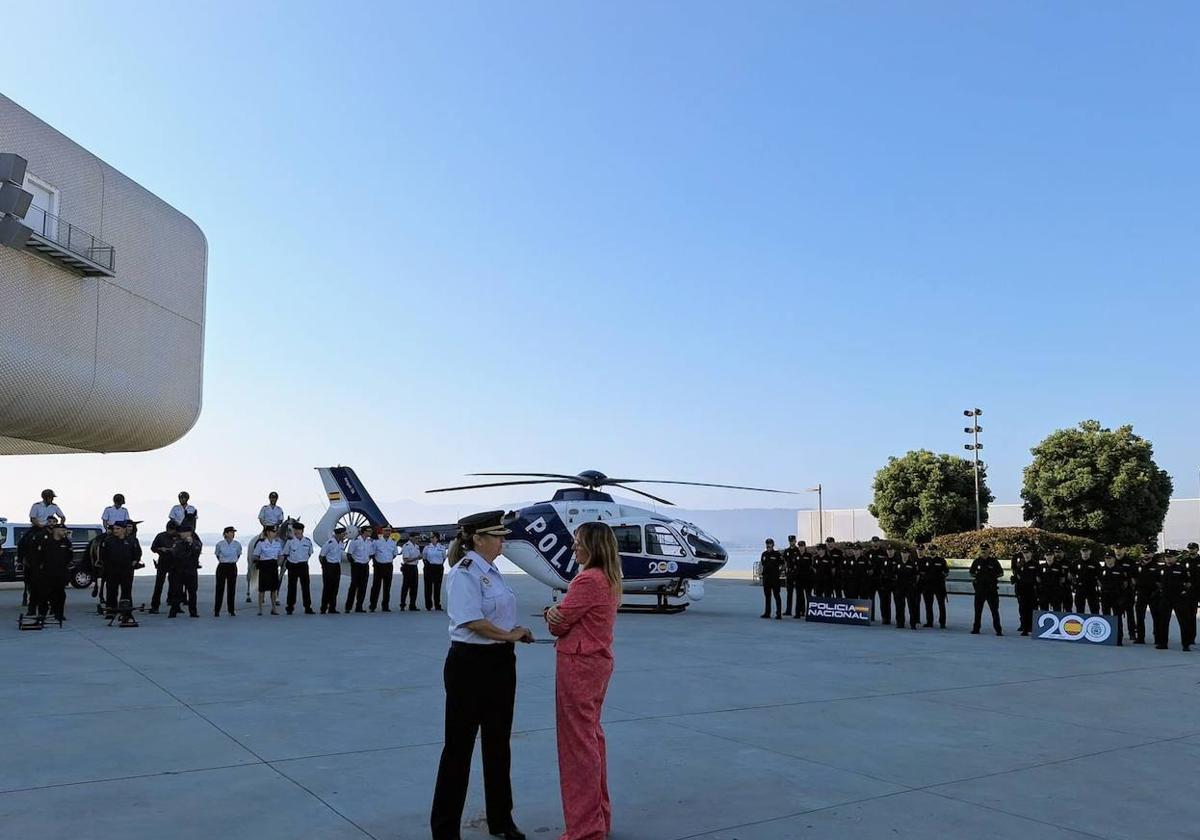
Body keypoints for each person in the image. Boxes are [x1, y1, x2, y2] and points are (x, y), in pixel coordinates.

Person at [430, 511, 534, 840]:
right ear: (478, 539)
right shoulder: (465, 573)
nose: (503, 541)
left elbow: (498, 618)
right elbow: (472, 621)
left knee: (498, 745)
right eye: (497, 535)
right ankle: (445, 830)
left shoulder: (493, 572)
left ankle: (501, 820)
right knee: (458, 750)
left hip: (500, 663)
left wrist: (513, 635)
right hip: (469, 665)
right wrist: (511, 635)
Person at [545, 521, 621, 840]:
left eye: (578, 542)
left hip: (578, 665)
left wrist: (552, 612)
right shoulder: (609, 579)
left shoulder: (587, 580)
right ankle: (598, 818)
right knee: (591, 739)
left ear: (593, 546)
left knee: (577, 746)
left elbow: (559, 624)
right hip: (596, 664)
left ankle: (585, 829)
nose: (573, 547)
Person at [99, 520, 141, 621]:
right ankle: (111, 611)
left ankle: (126, 612)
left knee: (126, 591)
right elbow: (103, 555)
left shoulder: (132, 540)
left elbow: (137, 553)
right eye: (114, 529)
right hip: (112, 570)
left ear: (124, 529)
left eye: (118, 529)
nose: (115, 531)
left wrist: (135, 561)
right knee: (111, 591)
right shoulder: (109, 541)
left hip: (127, 570)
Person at [1155, 553, 1193, 651]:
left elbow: (1188, 582)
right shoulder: (1161, 569)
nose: (1168, 559)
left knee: (1184, 621)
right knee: (1163, 621)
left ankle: (1186, 644)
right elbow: (1157, 581)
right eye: (1167, 557)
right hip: (1165, 597)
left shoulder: (1181, 568)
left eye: (1171, 557)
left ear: (1175, 558)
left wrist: (1184, 591)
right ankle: (1163, 643)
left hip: (1179, 598)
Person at [37, 521, 73, 623]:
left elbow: (69, 557)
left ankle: (59, 614)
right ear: (55, 531)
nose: (64, 532)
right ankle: (42, 613)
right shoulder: (46, 542)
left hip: (60, 573)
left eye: (65, 530)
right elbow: (39, 557)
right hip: (47, 573)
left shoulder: (66, 542)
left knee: (60, 595)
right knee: (44, 594)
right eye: (62, 530)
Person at [169, 521, 202, 618]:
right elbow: (176, 555)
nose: (181, 534)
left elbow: (197, 552)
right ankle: (173, 610)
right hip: (179, 570)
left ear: (189, 533)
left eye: (183, 532)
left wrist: (190, 544)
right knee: (177, 592)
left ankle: (193, 611)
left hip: (191, 570)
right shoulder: (177, 543)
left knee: (192, 592)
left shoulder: (196, 543)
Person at [969, 546, 1003, 636]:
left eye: (985, 550)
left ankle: (998, 630)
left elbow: (1001, 573)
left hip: (991, 590)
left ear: (989, 551)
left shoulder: (994, 561)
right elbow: (971, 573)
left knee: (994, 611)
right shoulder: (976, 561)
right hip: (980, 589)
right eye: (982, 549)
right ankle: (976, 629)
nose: (983, 551)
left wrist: (990, 576)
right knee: (978, 610)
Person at [283, 521, 315, 615]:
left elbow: (310, 553)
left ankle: (307, 607)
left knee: (305, 587)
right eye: (295, 529)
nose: (296, 531)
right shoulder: (290, 542)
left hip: (303, 565)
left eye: (298, 530)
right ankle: (290, 607)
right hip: (293, 565)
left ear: (302, 530)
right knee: (291, 587)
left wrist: (303, 560)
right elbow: (286, 553)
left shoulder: (307, 541)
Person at [1098, 553, 1129, 646]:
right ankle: (1107, 637)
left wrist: (1121, 596)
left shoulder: (1120, 569)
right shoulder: (1102, 569)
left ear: (1114, 559)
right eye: (1106, 558)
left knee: (1117, 618)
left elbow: (1125, 583)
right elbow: (1099, 581)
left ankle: (1118, 639)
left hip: (1117, 597)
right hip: (1105, 596)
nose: (1108, 560)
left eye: (1110, 558)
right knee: (1106, 617)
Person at [252, 525, 284, 615]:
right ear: (268, 532)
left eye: (275, 532)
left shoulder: (277, 543)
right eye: (273, 532)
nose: (275, 533)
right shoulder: (261, 543)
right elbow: (255, 555)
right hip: (264, 566)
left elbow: (281, 555)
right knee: (262, 589)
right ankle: (260, 609)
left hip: (273, 566)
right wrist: (260, 563)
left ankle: (274, 609)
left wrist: (278, 563)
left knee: (274, 589)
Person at [148, 521, 178, 614]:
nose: (171, 532)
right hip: (163, 561)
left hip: (175, 562)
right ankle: (155, 606)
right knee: (159, 584)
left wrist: (174, 550)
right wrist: (160, 549)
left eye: (173, 530)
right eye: (169, 530)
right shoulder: (160, 536)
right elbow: (153, 548)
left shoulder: (178, 536)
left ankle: (175, 605)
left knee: (175, 585)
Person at [918, 544, 949, 628]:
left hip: (939, 586)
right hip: (928, 586)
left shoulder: (941, 560)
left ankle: (942, 622)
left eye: (933, 549)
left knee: (941, 605)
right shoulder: (925, 560)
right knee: (928, 605)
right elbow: (921, 571)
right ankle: (929, 622)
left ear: (936, 550)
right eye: (930, 549)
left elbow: (946, 572)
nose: (932, 551)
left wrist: (942, 575)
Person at [1133, 552, 1161, 644]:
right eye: (1144, 553)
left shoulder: (1157, 566)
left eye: (1148, 553)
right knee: (1140, 616)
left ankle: (1157, 638)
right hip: (1141, 593)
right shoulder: (1137, 565)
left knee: (1156, 617)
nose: (1145, 555)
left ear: (1152, 555)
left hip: (1153, 594)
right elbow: (1133, 578)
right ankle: (1140, 637)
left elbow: (1160, 581)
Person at [214, 526, 242, 617]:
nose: (232, 534)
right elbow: (217, 554)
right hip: (222, 566)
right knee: (219, 588)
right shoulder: (220, 544)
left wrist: (232, 560)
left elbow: (238, 555)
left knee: (231, 589)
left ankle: (231, 610)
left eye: (233, 532)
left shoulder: (237, 544)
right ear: (225, 533)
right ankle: (217, 609)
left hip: (232, 566)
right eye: (230, 532)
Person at [345, 525, 374, 613]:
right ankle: (348, 607)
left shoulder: (369, 543)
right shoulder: (355, 541)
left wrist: (367, 561)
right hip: (356, 566)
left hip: (365, 566)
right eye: (369, 530)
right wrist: (354, 563)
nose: (370, 532)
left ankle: (359, 606)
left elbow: (371, 554)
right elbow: (349, 554)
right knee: (353, 586)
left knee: (363, 587)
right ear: (363, 532)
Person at [319, 525, 347, 614]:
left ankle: (332, 607)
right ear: (338, 534)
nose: (344, 536)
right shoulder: (329, 543)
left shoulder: (341, 543)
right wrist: (324, 567)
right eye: (343, 534)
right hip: (328, 566)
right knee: (327, 588)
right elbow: (321, 556)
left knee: (335, 588)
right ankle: (323, 608)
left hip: (337, 566)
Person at [370, 526, 398, 612]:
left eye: (389, 531)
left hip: (388, 566)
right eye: (386, 530)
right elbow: (372, 553)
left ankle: (385, 606)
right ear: (382, 531)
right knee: (376, 586)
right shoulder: (376, 542)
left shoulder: (393, 542)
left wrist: (387, 560)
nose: (388, 532)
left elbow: (394, 554)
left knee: (387, 587)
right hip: (379, 566)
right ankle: (373, 606)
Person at [1011, 552, 1038, 636]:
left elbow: (1037, 577)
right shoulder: (1020, 564)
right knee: (1023, 610)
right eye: (1024, 553)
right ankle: (1025, 628)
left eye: (1028, 553)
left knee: (1033, 609)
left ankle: (1033, 627)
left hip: (1032, 590)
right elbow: (1015, 577)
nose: (1026, 555)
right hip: (1022, 590)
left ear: (1031, 554)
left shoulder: (1035, 564)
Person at [893, 549, 920, 630]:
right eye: (902, 553)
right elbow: (894, 575)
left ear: (908, 554)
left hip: (910, 588)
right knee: (899, 606)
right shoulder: (897, 563)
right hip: (899, 587)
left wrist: (913, 584)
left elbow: (917, 576)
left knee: (912, 606)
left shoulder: (912, 564)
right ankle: (900, 623)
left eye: (905, 553)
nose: (904, 555)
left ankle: (913, 623)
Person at [1071, 548, 1101, 614]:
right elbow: (1072, 574)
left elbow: (1099, 576)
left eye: (1087, 551)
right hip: (1080, 588)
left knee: (1094, 609)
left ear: (1090, 551)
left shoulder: (1095, 563)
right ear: (1081, 551)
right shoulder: (1076, 563)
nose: (1085, 553)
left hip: (1091, 589)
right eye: (1083, 551)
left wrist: (1099, 588)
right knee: (1079, 609)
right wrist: (1074, 584)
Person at [759, 539, 783, 619]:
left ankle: (778, 613)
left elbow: (783, 564)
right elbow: (762, 564)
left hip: (775, 578)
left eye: (770, 544)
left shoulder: (777, 554)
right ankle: (767, 613)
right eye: (767, 544)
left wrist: (780, 571)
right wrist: (761, 573)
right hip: (766, 578)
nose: (768, 545)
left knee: (777, 596)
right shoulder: (764, 554)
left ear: (773, 545)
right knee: (767, 596)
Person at [424, 531, 448, 611]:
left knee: (437, 587)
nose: (431, 539)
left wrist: (439, 563)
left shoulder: (442, 548)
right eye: (430, 537)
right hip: (429, 567)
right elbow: (424, 558)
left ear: (437, 538)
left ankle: (437, 605)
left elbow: (444, 558)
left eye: (432, 537)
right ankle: (428, 605)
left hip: (439, 568)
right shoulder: (427, 548)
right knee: (428, 587)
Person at [400, 531, 422, 611]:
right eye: (416, 538)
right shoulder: (406, 546)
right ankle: (402, 605)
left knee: (414, 587)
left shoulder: (416, 546)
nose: (417, 539)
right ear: (411, 537)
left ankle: (412, 605)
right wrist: (417, 557)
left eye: (418, 538)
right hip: (408, 568)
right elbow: (406, 559)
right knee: (405, 587)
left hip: (414, 567)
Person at [781, 535, 801, 616]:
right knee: (789, 593)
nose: (791, 542)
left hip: (797, 574)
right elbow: (785, 562)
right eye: (790, 541)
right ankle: (788, 611)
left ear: (795, 541)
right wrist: (782, 570)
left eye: (793, 541)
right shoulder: (787, 551)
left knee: (799, 594)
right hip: (789, 574)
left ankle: (799, 611)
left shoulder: (798, 550)